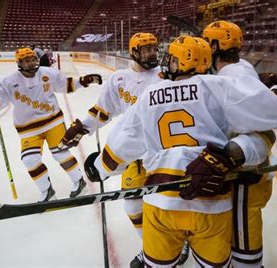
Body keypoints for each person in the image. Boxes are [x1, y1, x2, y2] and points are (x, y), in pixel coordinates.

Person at [83, 36, 277, 267]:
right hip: (212, 203)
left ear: (182, 62)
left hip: (162, 203)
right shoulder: (219, 87)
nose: (168, 63)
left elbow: (121, 145)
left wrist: (99, 168)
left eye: (173, 59)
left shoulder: (150, 95)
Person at [59, 32, 186, 267]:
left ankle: (180, 243)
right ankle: (150, 247)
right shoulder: (119, 79)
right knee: (133, 205)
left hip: (163, 153)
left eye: (154, 48)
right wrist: (83, 128)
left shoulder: (165, 76)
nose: (152, 53)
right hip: (131, 154)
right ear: (134, 52)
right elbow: (103, 110)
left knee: (169, 203)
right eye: (146, 49)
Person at [202, 20, 277, 268]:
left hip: (246, 175)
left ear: (214, 46)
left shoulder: (230, 81)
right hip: (248, 170)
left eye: (206, 42)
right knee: (239, 230)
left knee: (243, 237)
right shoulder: (241, 67)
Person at [0, 47, 102, 202]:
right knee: (30, 160)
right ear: (19, 63)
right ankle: (47, 190)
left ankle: (79, 182)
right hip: (28, 129)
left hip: (53, 121)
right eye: (26, 61)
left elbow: (65, 85)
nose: (31, 63)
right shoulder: (7, 81)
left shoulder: (48, 72)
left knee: (60, 153)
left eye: (33, 59)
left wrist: (82, 82)